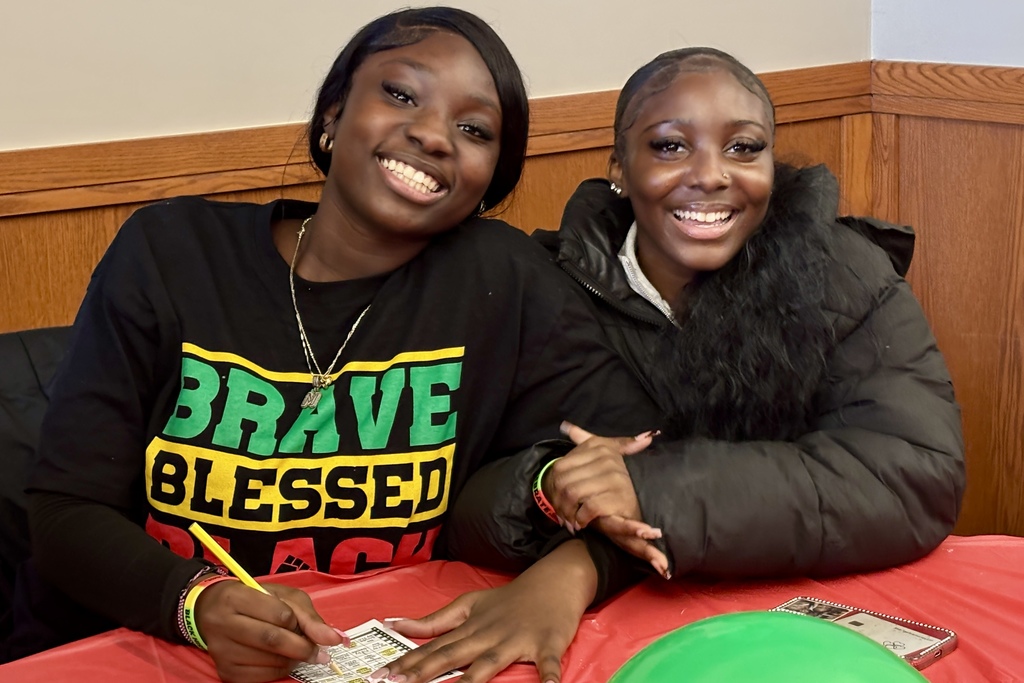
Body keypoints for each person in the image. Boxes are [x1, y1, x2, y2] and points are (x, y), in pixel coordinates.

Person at [5, 8, 663, 681]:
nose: (433, 134)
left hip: (375, 658)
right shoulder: (169, 253)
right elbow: (64, 514)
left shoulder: (500, 281)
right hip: (132, 646)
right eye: (401, 94)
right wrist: (196, 604)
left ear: (489, 182)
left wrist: (561, 580)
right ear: (332, 113)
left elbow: (651, 468)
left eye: (474, 129)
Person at [379, 47, 965, 683]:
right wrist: (552, 487)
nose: (712, 175)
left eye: (744, 148)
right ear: (619, 169)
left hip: (790, 629)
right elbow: (462, 499)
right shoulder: (542, 285)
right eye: (669, 146)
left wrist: (650, 490)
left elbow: (910, 476)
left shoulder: (843, 272)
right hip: (624, 622)